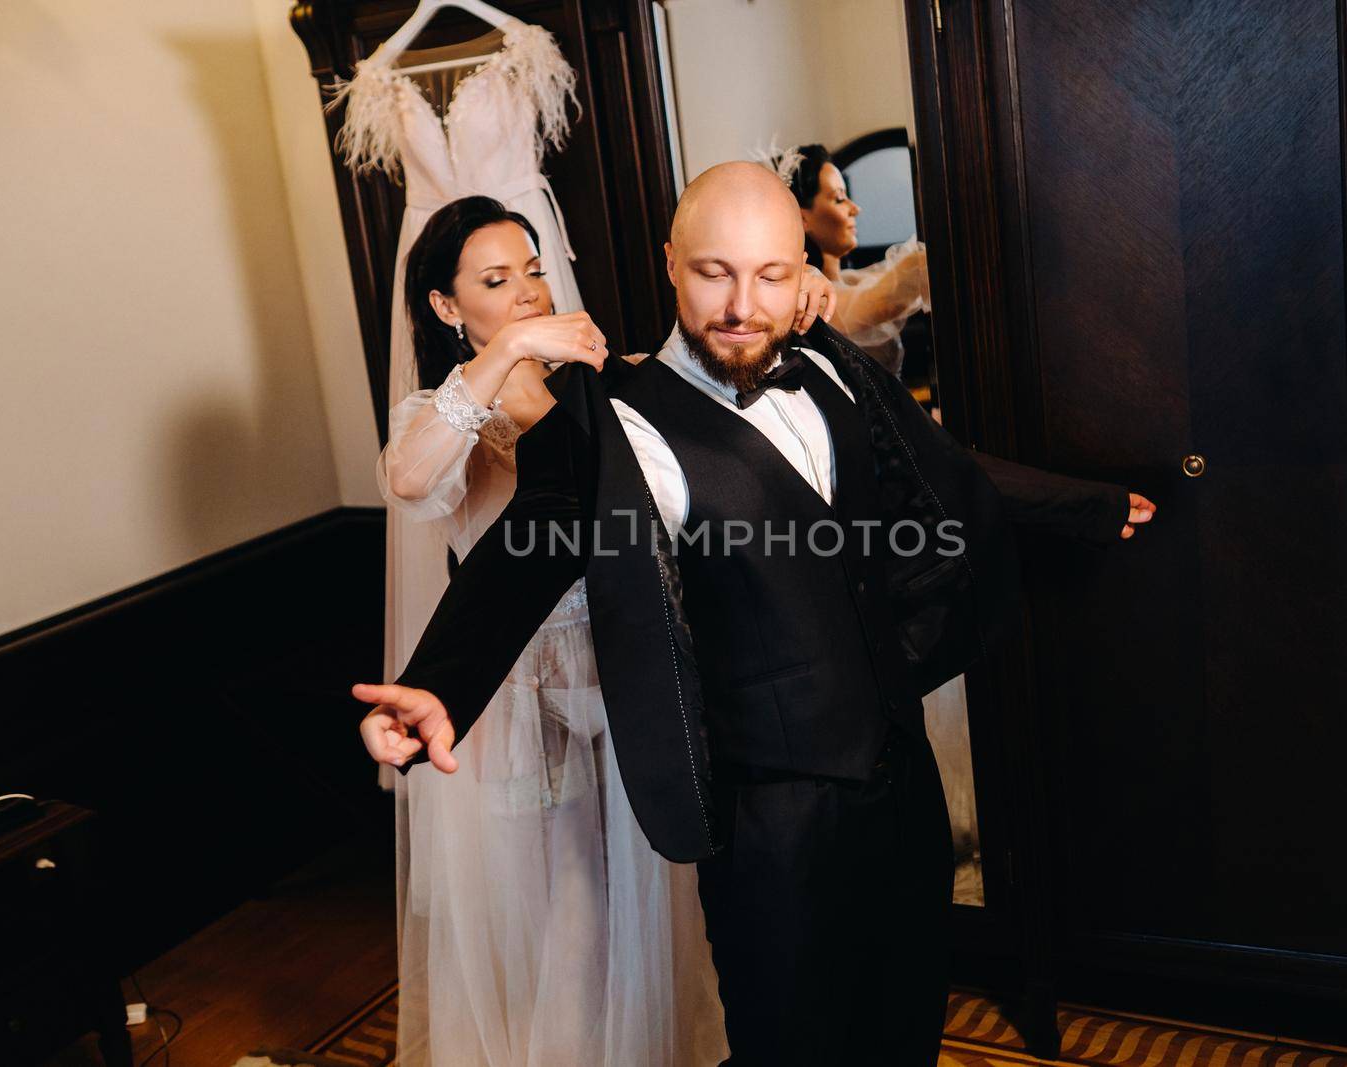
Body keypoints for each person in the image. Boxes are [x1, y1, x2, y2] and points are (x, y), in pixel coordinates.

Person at [355, 164, 1155, 1066]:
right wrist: (437, 685)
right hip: (770, 825)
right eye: (713, 272)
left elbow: (944, 470)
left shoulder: (831, 369)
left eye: (771, 274)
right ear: (668, 263)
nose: (741, 304)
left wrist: (1082, 506)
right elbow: (535, 534)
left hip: (901, 786)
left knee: (904, 1033)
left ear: (802, 271)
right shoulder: (617, 418)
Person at [368, 194, 830, 1065]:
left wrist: (793, 305)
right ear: (445, 305)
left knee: (653, 909)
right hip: (525, 699)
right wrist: (506, 351)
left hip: (628, 678)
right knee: (568, 918)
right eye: (497, 281)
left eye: (534, 271)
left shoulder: (599, 380)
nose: (529, 293)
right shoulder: (442, 410)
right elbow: (408, 478)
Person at [783, 142, 930, 377]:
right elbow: (890, 296)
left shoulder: (850, 280)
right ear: (803, 220)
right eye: (839, 199)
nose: (855, 208)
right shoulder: (816, 301)